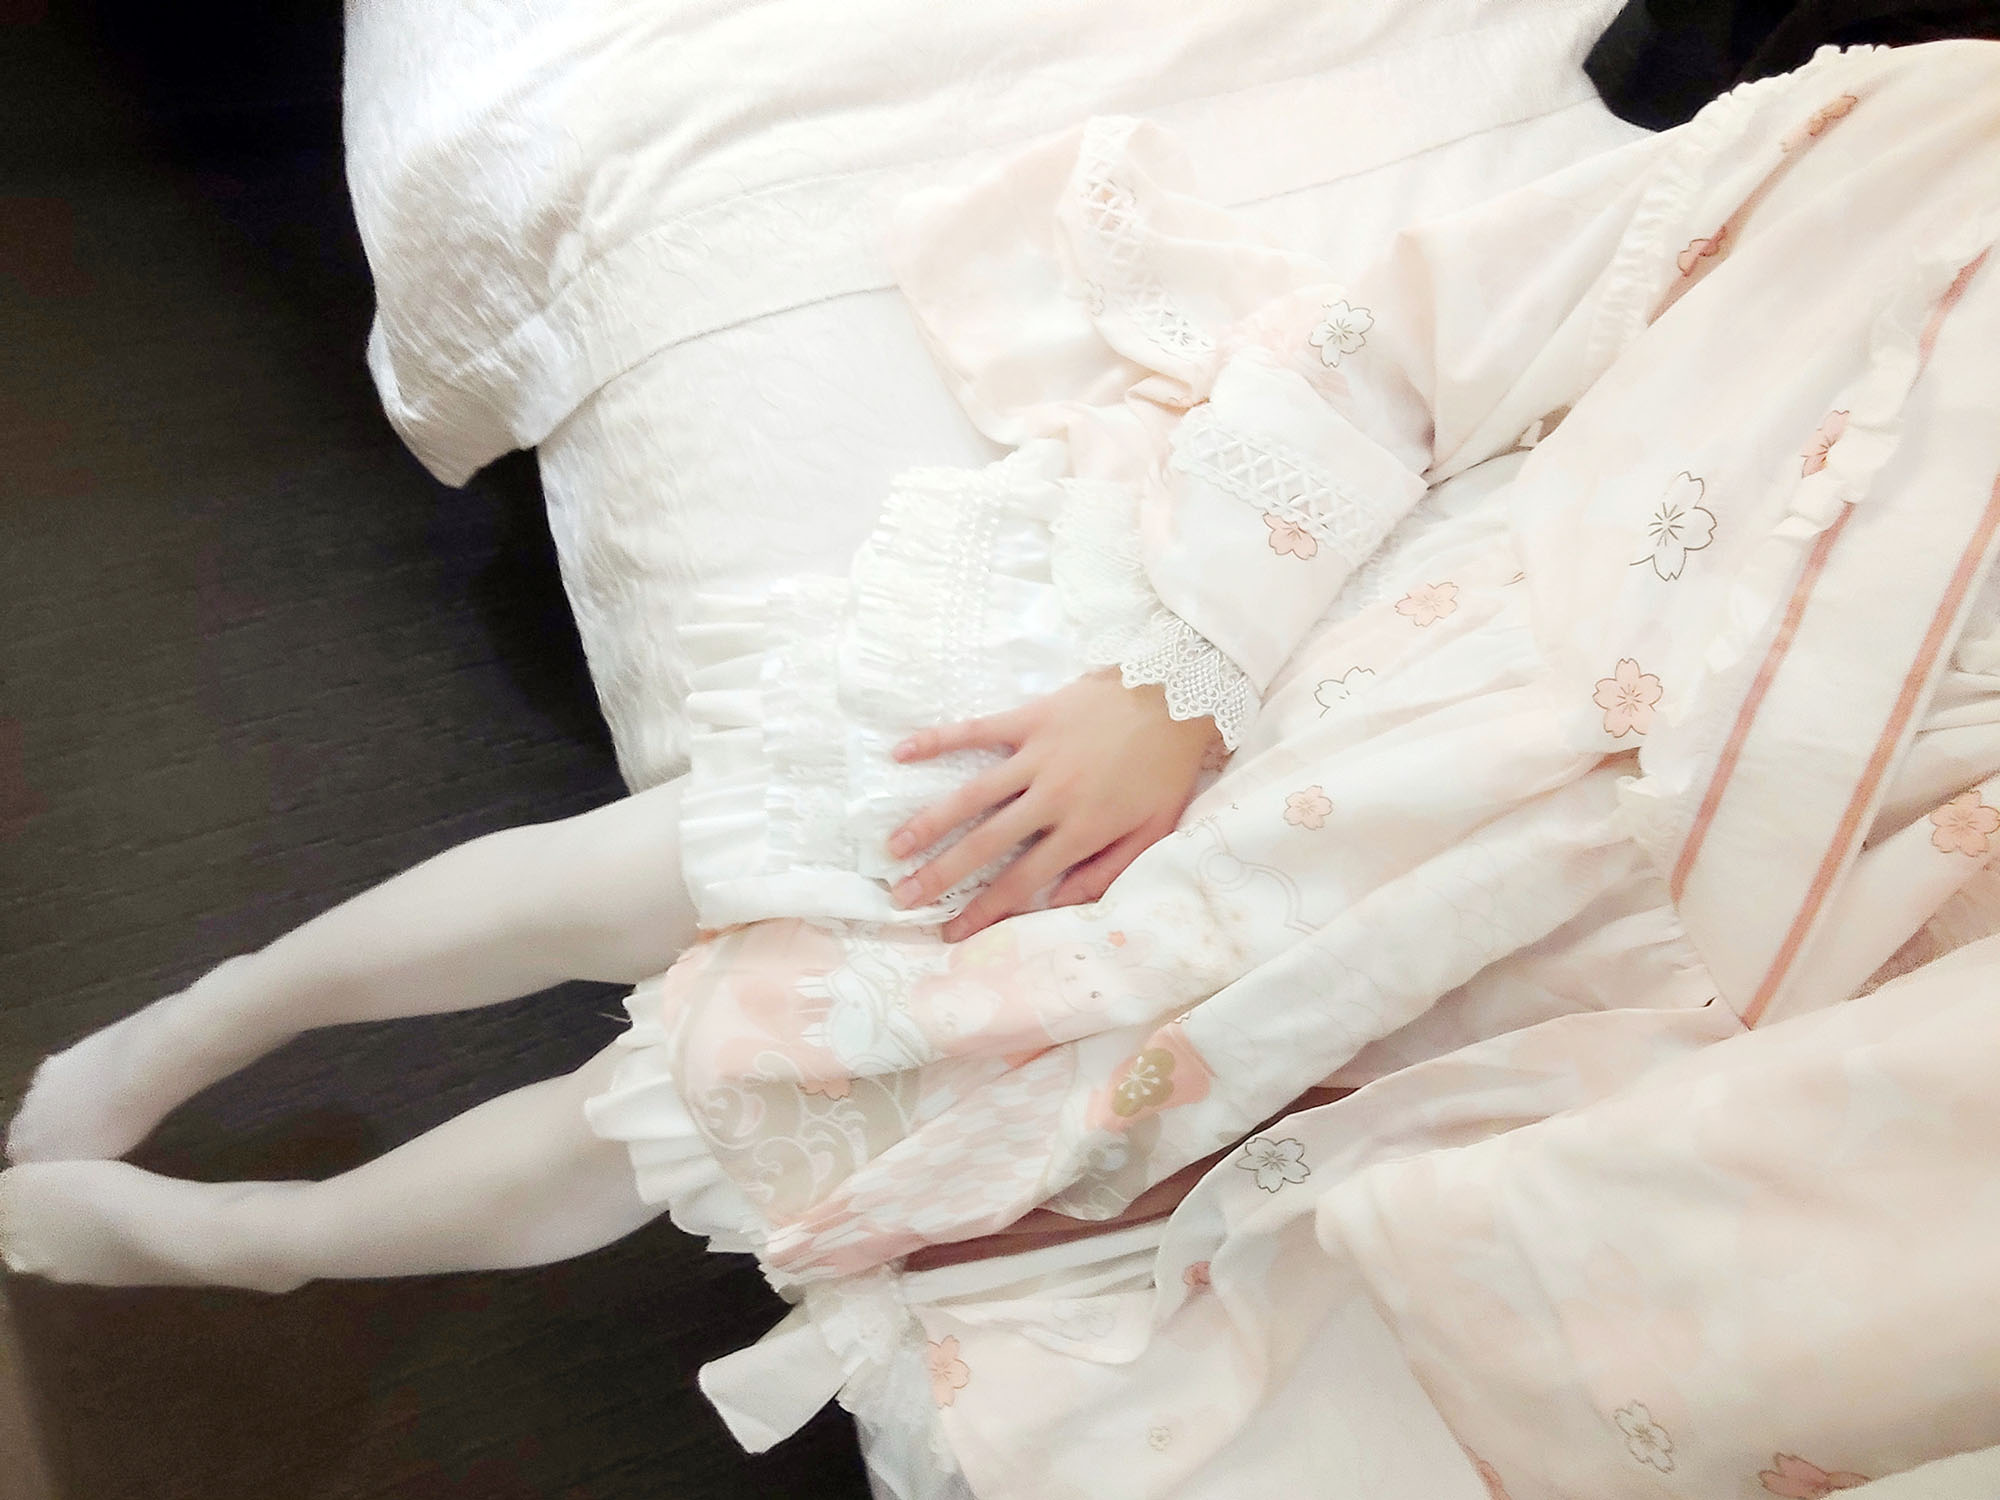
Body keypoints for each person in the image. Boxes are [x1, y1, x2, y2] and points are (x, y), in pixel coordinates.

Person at [7, 36, 2000, 1500]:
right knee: (766, 842)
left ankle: (261, 1251)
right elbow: (1431, 323)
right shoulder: (1927, 141)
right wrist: (1192, 671)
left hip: (1549, 968)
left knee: (798, 1113)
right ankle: (220, 1005)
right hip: (1352, 656)